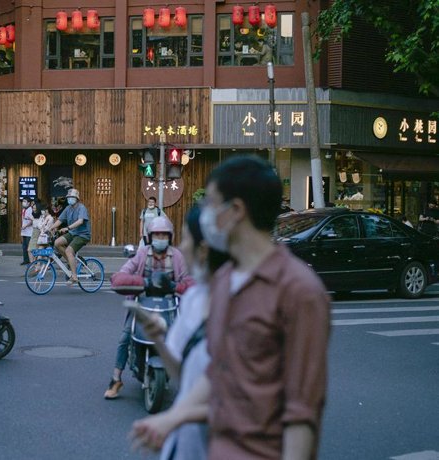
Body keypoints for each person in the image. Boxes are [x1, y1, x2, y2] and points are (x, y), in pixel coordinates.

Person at [130, 156, 330, 459]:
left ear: (236, 211)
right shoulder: (223, 281)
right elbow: (217, 371)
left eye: (211, 203)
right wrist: (173, 417)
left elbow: (301, 413)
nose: (205, 214)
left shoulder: (300, 291)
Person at [132, 206, 230, 460]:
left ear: (204, 250)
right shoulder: (195, 298)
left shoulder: (241, 307)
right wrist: (159, 340)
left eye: (186, 239)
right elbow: (183, 378)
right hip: (185, 447)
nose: (181, 248)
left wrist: (175, 416)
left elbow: (239, 401)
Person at [105, 216, 192, 400]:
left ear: (170, 236)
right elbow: (119, 277)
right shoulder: (142, 253)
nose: (160, 237)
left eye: (164, 234)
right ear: (150, 237)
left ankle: (189, 383)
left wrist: (173, 286)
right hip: (143, 303)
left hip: (169, 306)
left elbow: (190, 282)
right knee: (125, 336)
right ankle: (116, 378)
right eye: (156, 234)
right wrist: (144, 282)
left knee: (186, 339)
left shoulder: (177, 256)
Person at [49, 188, 91, 285]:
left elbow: (80, 221)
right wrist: (50, 228)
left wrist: (67, 228)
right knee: (57, 243)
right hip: (73, 233)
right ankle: (70, 261)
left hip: (82, 235)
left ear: (76, 198)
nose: (69, 199)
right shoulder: (68, 208)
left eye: (71, 197)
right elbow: (60, 220)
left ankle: (74, 276)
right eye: (68, 197)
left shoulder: (81, 208)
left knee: (68, 250)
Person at [20, 197, 34, 265]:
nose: (23, 203)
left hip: (29, 231)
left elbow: (32, 221)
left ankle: (30, 260)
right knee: (24, 246)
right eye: (23, 201)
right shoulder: (23, 210)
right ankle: (25, 260)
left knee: (29, 247)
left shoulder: (31, 210)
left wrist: (25, 226)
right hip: (24, 231)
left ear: (28, 203)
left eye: (25, 201)